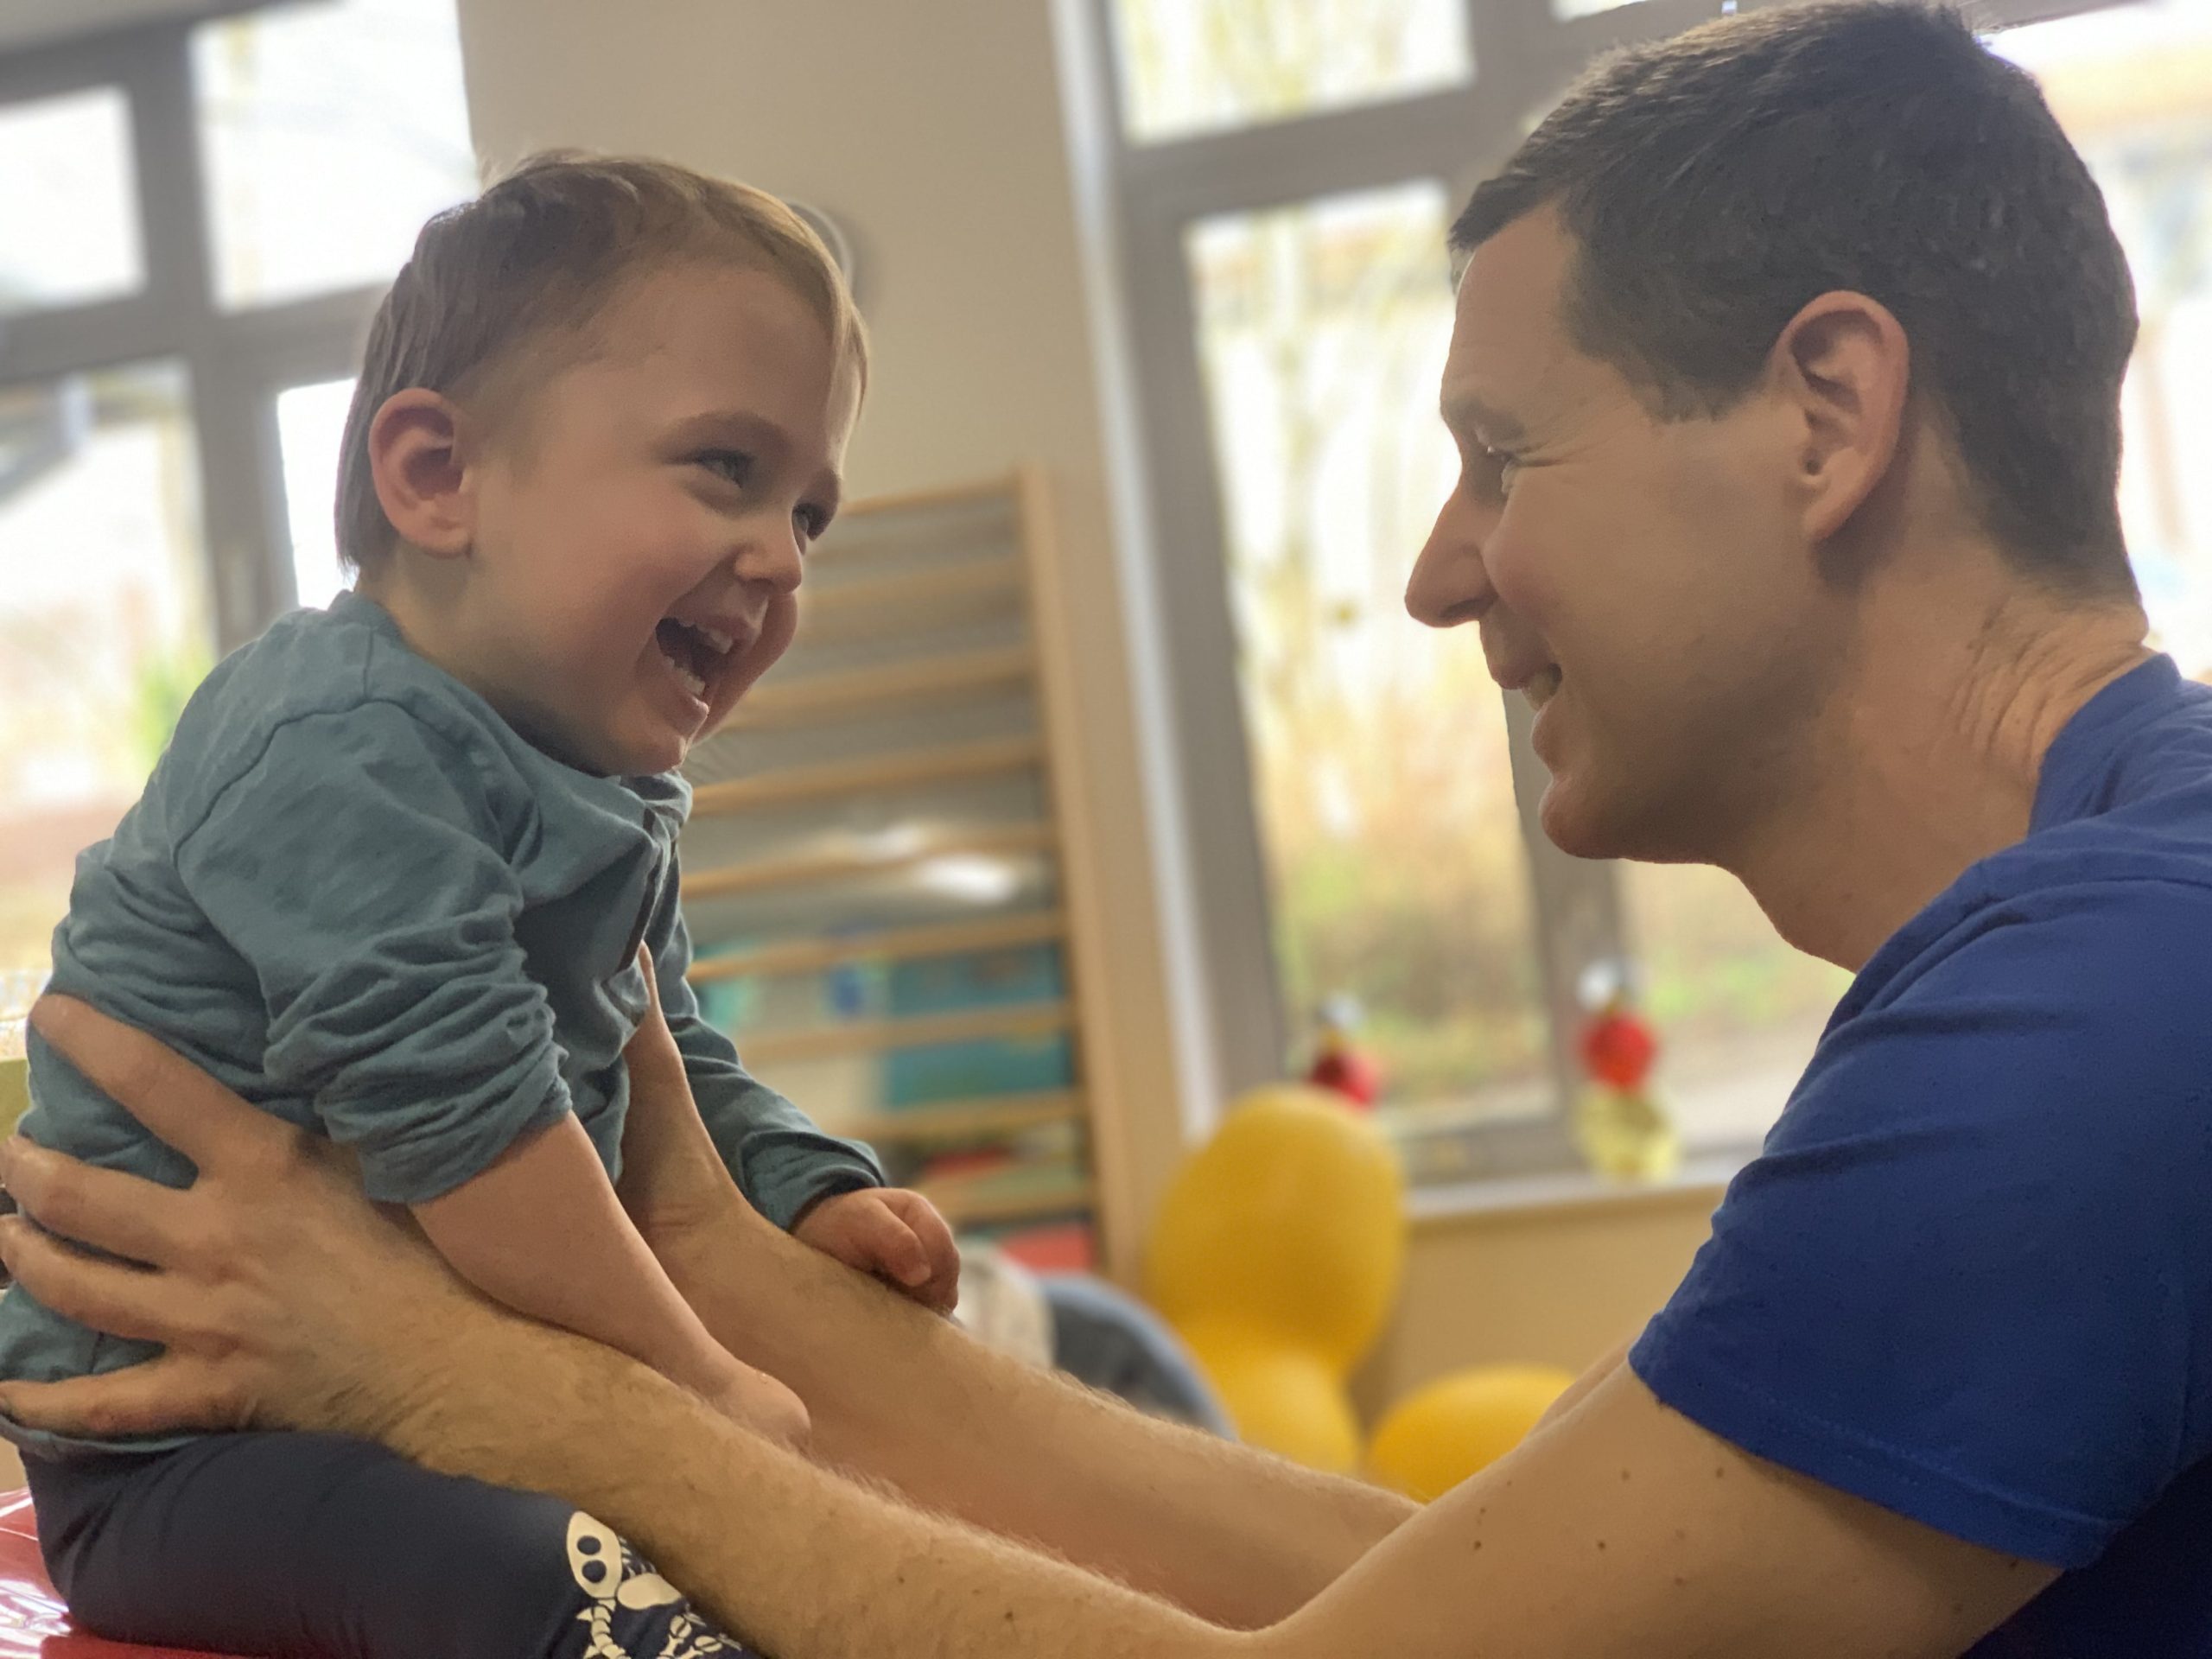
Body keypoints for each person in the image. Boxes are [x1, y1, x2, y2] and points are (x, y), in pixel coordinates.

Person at [4, 1, 2209, 1652]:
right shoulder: (2106, 947)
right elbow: (1437, 1607)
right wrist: (720, 1261)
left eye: (1500, 457)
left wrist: (498, 1387)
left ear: (1824, 418)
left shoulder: (2102, 1014)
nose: (1439, 574)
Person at [1, 155, 961, 1656]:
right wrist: (689, 1390)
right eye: (726, 467)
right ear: (439, 478)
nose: (781, 556)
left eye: (813, 512)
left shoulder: (598, 782)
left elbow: (667, 1067)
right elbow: (469, 1117)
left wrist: (806, 1187)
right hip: (181, 1449)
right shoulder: (331, 739)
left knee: (782, 1523)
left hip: (411, 1374)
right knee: (549, 1572)